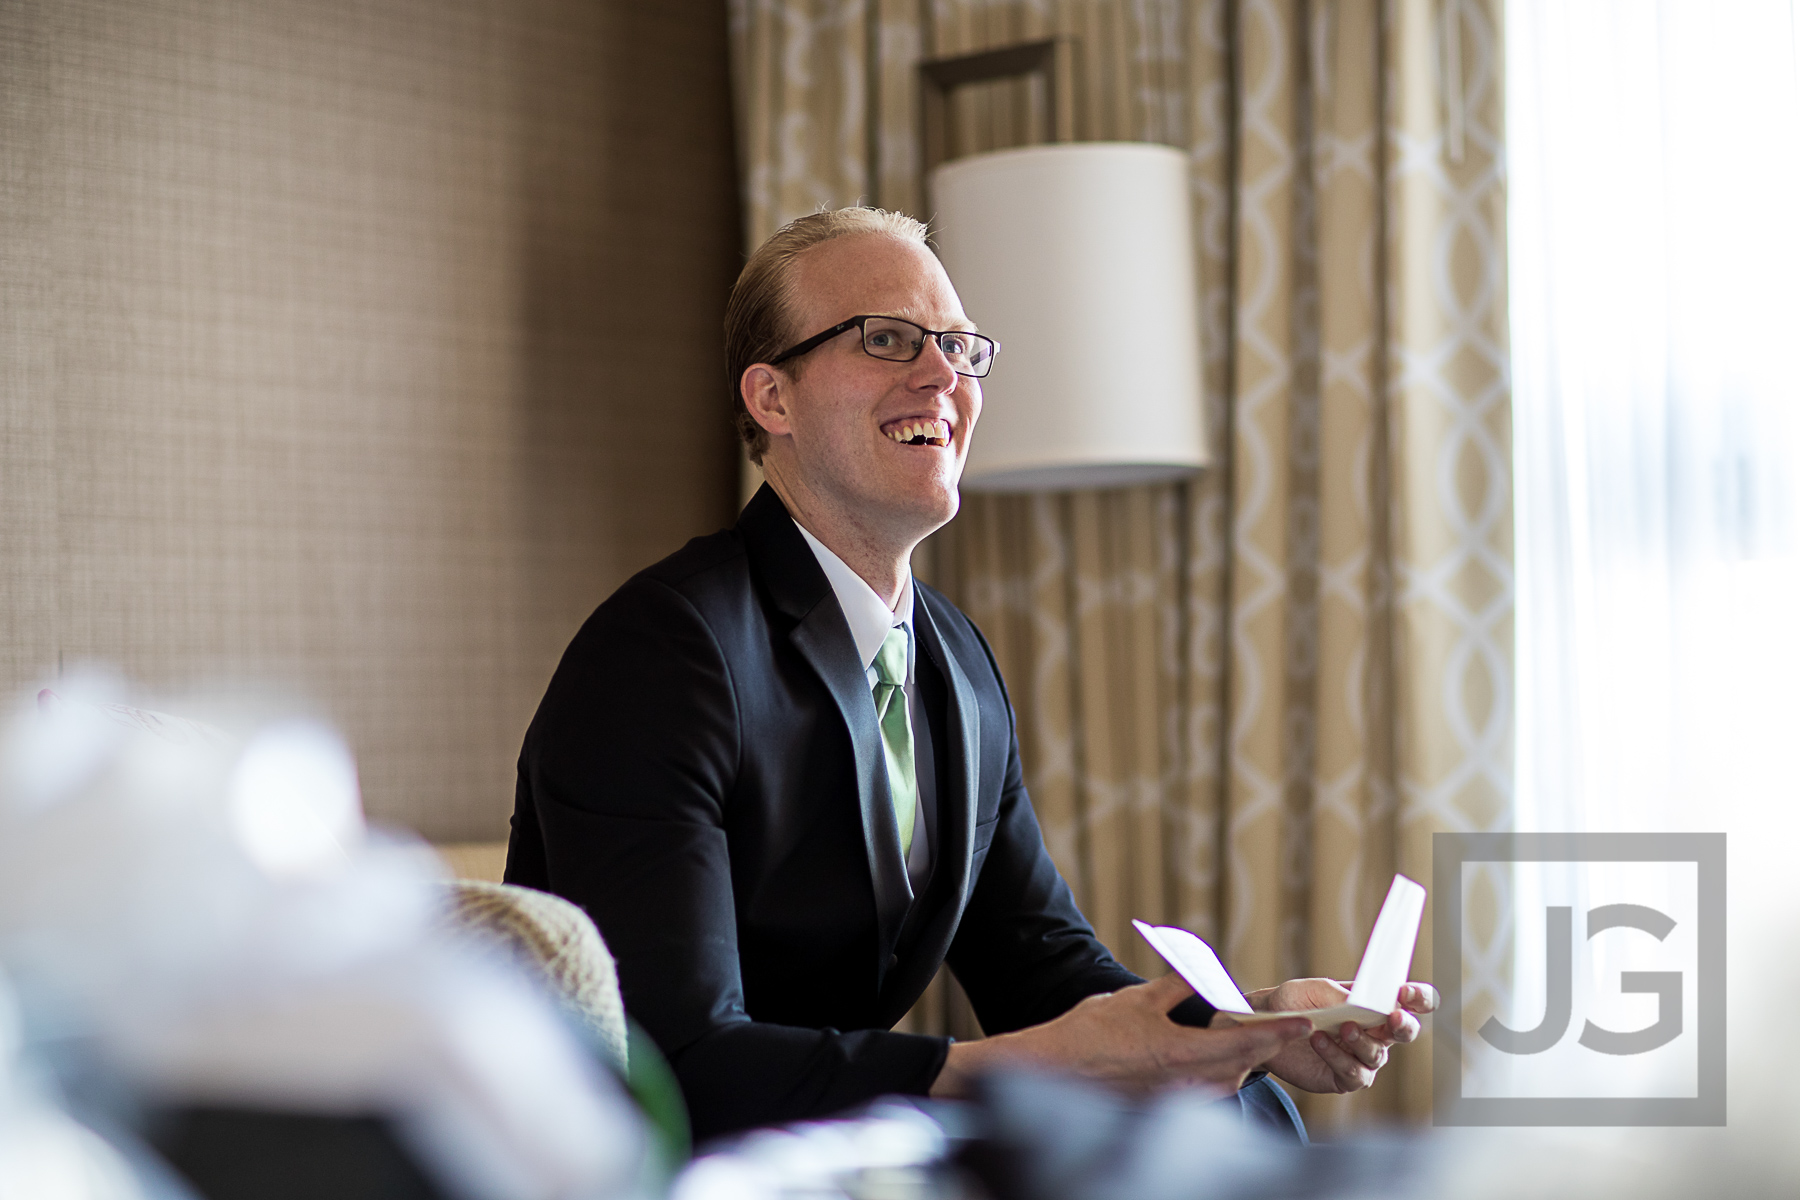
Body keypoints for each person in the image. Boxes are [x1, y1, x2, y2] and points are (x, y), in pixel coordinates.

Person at [504, 207, 1437, 1141]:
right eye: (887, 339)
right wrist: (1031, 1064)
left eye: (957, 344)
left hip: (838, 1152)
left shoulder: (955, 662)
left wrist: (1245, 1031)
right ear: (771, 400)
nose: (943, 374)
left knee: (1252, 1124)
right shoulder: (664, 650)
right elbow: (677, 1065)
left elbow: (1043, 965)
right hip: (659, 1164)